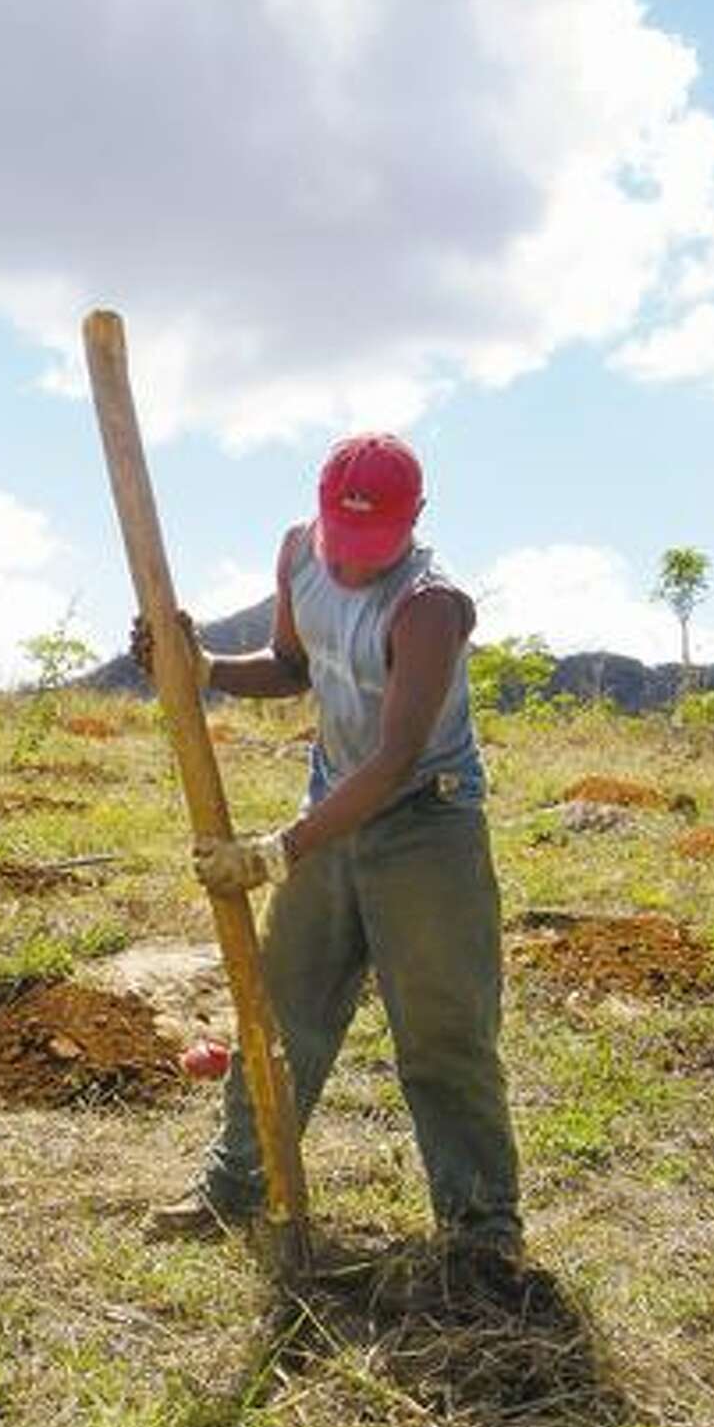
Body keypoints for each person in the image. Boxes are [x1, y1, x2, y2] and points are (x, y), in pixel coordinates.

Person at [131, 432, 524, 1274]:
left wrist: (277, 853)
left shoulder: (430, 606)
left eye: (366, 552)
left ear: (414, 521)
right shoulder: (296, 556)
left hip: (426, 821)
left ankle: (482, 1232)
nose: (345, 570)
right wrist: (200, 668)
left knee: (442, 1029)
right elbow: (288, 664)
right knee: (280, 1009)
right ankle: (236, 1185)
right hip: (331, 808)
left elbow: (394, 759)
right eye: (337, 546)